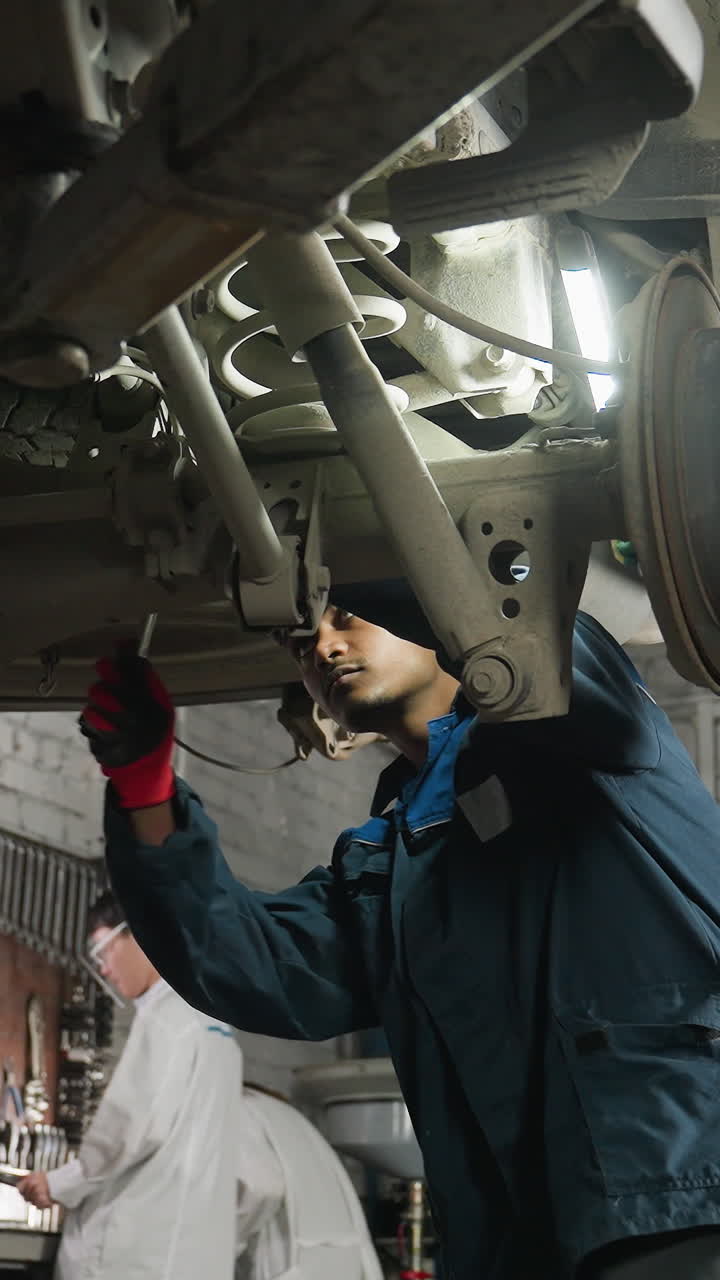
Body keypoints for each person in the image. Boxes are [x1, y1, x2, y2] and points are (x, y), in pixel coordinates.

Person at [80, 585, 720, 1280]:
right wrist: (145, 789)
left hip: (680, 1197)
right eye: (302, 644)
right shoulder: (389, 863)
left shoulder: (580, 716)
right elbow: (251, 964)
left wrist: (375, 542)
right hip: (517, 1245)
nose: (324, 647)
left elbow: (514, 620)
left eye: (348, 617)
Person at [19, 891, 243, 1280]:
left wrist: (58, 1183)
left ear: (137, 934)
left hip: (135, 1255)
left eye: (102, 950)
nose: (102, 969)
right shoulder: (215, 1024)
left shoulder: (166, 1020)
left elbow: (128, 1129)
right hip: (195, 1257)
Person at [235, 1084, 383, 1280]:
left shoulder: (240, 1109)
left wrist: (219, 1244)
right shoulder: (285, 1116)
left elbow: (262, 1186)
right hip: (335, 1264)